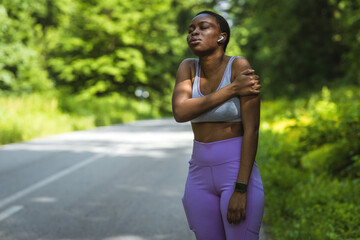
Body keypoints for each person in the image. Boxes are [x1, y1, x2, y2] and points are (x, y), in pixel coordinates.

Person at [172, 10, 264, 240]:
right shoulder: (188, 68)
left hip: (235, 171)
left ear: (221, 36)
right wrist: (232, 89)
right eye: (191, 29)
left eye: (203, 27)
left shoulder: (238, 66)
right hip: (199, 174)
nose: (194, 32)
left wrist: (240, 188)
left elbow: (252, 129)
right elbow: (181, 112)